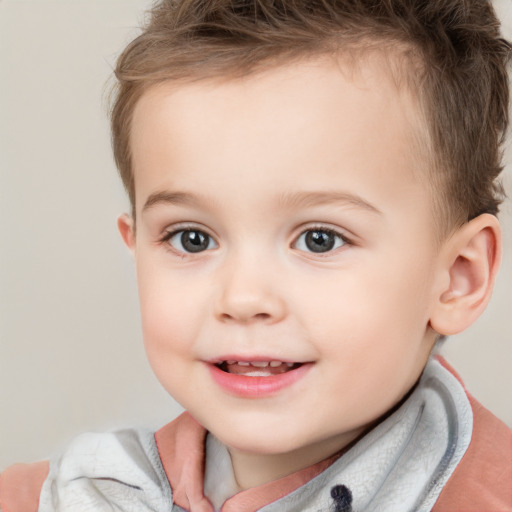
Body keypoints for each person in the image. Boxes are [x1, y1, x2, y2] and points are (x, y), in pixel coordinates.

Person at [1, 0, 511, 510]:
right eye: (191, 238)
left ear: (456, 277)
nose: (243, 298)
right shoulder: (52, 498)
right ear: (135, 249)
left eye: (319, 239)